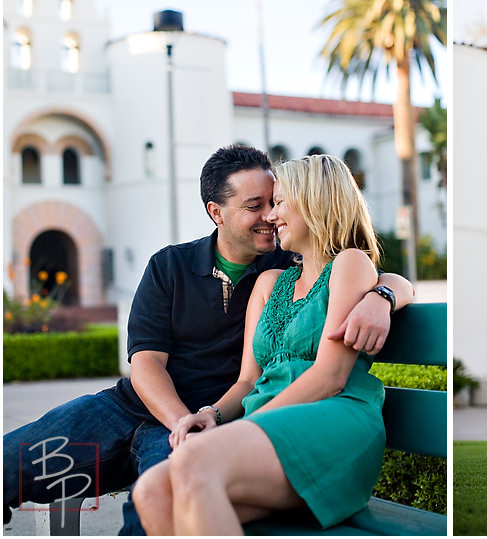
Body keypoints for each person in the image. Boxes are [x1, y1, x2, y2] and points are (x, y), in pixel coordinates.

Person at [3, 145, 412, 534]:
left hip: (228, 424)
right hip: (145, 409)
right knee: (10, 462)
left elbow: (357, 265)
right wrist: (190, 421)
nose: (270, 215)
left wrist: (384, 295)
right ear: (216, 212)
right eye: (256, 206)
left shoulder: (286, 256)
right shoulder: (172, 265)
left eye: (276, 201)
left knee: (153, 506)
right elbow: (145, 364)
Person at [132, 154, 390, 533]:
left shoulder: (350, 264)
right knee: (152, 490)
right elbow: (247, 382)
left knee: (193, 463)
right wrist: (213, 415)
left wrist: (247, 424)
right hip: (267, 431)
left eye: (280, 202)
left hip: (332, 419)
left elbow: (330, 377)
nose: (271, 215)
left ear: (313, 202)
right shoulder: (270, 282)